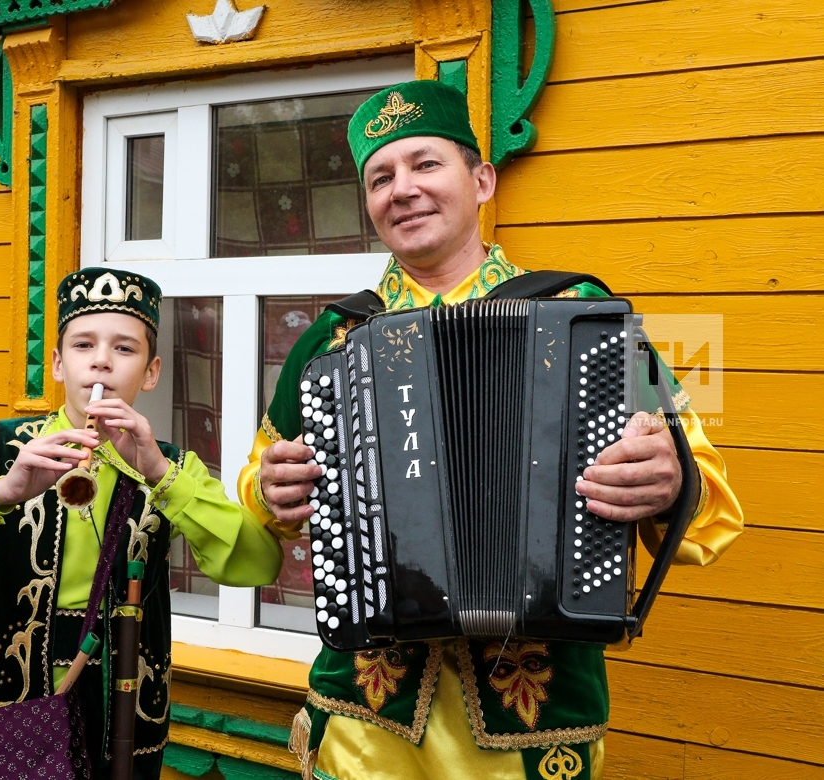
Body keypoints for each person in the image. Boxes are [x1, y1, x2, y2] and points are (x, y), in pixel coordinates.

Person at [238, 81, 744, 780]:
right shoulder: (331, 338)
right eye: (380, 177)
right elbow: (260, 490)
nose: (402, 188)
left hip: (530, 728)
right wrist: (272, 489)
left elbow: (709, 483)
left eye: (425, 164)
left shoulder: (587, 313)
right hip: (366, 723)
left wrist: (669, 480)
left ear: (481, 180)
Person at [0, 267, 285, 779]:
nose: (102, 362)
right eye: (84, 344)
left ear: (151, 372)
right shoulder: (2, 446)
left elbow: (256, 562)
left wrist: (159, 473)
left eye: (125, 349)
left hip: (123, 705)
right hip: (12, 703)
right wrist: (3, 491)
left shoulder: (171, 466)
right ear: (58, 363)